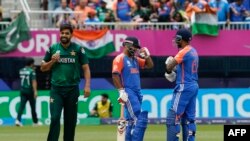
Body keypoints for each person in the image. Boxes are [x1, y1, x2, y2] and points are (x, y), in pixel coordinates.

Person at [40, 23, 91, 141]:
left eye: (67, 33)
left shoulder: (78, 49)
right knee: (55, 118)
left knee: (70, 121)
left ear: (71, 35)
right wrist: (52, 61)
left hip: (72, 90)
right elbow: (43, 68)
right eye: (62, 33)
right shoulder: (52, 48)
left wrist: (87, 86)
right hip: (56, 90)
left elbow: (86, 68)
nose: (64, 35)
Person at [112, 36, 154, 141]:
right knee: (138, 117)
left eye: (137, 47)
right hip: (128, 91)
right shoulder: (120, 58)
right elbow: (115, 75)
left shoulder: (135, 59)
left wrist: (147, 56)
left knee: (131, 121)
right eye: (135, 47)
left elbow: (150, 65)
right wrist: (121, 91)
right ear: (127, 45)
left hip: (137, 92)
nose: (136, 49)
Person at [165, 28, 199, 141]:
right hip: (193, 85)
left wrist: (169, 71)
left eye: (177, 39)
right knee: (189, 119)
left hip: (184, 86)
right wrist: (177, 69)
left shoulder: (183, 51)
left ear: (180, 39)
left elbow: (169, 66)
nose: (175, 41)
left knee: (173, 117)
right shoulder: (193, 50)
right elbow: (186, 68)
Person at [15, 58, 42, 127]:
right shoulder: (32, 71)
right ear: (31, 63)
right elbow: (34, 81)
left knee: (21, 106)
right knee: (33, 107)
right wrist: (35, 91)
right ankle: (35, 122)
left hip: (22, 90)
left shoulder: (21, 70)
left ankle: (18, 120)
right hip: (30, 91)